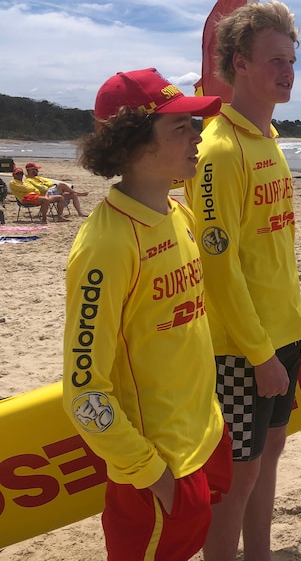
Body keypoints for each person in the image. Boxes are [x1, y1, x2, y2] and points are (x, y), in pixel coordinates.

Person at [63, 67, 233, 561]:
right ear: (131, 143)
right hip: (158, 468)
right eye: (179, 128)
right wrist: (153, 477)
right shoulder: (107, 247)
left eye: (195, 126)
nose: (197, 137)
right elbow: (84, 392)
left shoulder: (176, 215)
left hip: (203, 436)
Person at [183, 1, 301, 561]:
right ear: (240, 63)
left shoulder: (267, 139)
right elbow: (219, 268)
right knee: (235, 484)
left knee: (270, 460)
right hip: (241, 351)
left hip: (283, 334)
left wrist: (295, 304)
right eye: (275, 61)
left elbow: (266, 251)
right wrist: (259, 353)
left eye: (292, 61)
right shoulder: (220, 150)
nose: (287, 72)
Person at [24, 161, 89, 217]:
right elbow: (41, 188)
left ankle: (80, 213)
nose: (37, 171)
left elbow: (50, 183)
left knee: (73, 195)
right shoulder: (28, 180)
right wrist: (46, 185)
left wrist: (47, 185)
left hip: (52, 191)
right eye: (35, 169)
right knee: (61, 185)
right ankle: (79, 194)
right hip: (45, 195)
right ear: (30, 170)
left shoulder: (38, 178)